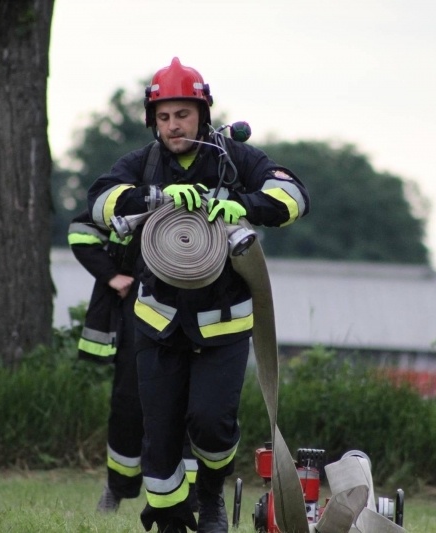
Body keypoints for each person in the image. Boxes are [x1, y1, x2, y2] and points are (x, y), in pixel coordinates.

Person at [87, 57, 310, 533]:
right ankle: (169, 520)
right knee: (160, 434)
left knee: (212, 424)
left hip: (223, 324)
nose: (173, 125)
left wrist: (238, 204)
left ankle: (210, 496)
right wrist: (158, 196)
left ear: (203, 114)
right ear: (153, 121)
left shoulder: (235, 158)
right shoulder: (143, 163)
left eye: (183, 114)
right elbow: (100, 202)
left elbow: (293, 197)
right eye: (164, 116)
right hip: (157, 322)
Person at [67, 210, 199, 514]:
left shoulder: (205, 193)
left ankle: (193, 498)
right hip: (139, 302)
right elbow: (81, 230)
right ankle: (117, 488)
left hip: (191, 303)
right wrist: (111, 274)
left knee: (191, 404)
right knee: (129, 402)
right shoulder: (135, 190)